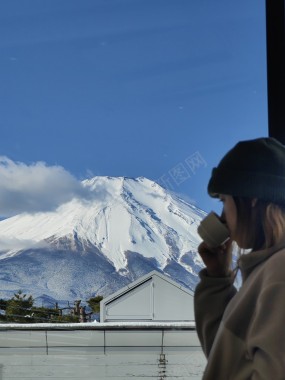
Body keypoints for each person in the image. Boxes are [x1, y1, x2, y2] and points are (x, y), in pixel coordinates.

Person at [194, 137, 285, 380]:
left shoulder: (279, 273)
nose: (222, 217)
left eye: (224, 201)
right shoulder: (266, 271)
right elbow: (228, 362)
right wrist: (217, 279)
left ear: (251, 199)